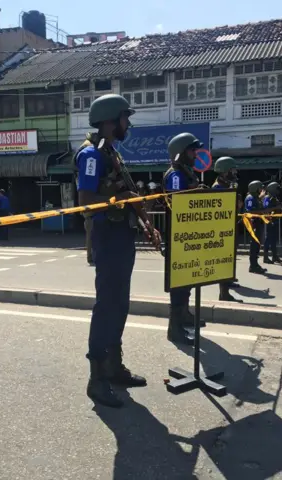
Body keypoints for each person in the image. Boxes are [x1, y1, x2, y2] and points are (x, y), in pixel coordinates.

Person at [75, 93, 161, 408]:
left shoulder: (112, 152)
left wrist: (148, 224)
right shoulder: (92, 155)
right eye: (126, 117)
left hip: (122, 233)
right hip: (107, 234)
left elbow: (130, 193)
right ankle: (96, 378)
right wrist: (119, 192)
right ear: (111, 120)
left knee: (120, 304)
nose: (129, 123)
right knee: (108, 305)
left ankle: (112, 367)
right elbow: (86, 201)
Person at [162, 132, 207, 345]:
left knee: (187, 281)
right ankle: (174, 328)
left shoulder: (186, 172)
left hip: (188, 236)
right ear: (180, 153)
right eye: (191, 150)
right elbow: (177, 203)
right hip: (176, 237)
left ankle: (185, 315)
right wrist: (194, 192)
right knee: (178, 285)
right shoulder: (175, 175)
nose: (195, 154)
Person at [212, 156, 243, 298]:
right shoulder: (218, 187)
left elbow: (238, 205)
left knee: (230, 257)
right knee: (224, 259)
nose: (235, 173)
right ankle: (223, 293)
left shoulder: (229, 185)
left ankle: (228, 281)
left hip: (230, 226)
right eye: (232, 170)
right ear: (225, 171)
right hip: (222, 229)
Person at [245, 180, 272, 274]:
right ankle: (253, 265)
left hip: (258, 223)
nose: (261, 190)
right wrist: (262, 212)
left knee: (257, 245)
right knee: (254, 245)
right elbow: (251, 211)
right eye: (260, 188)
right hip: (254, 223)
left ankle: (255, 264)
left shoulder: (256, 198)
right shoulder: (250, 198)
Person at [262, 182, 282, 264]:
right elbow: (265, 210)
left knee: (274, 240)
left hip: (275, 221)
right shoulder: (267, 198)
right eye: (277, 189)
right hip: (270, 221)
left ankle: (275, 257)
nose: (278, 191)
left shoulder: (274, 198)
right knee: (268, 239)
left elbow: (281, 205)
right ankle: (265, 257)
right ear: (273, 189)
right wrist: (276, 207)